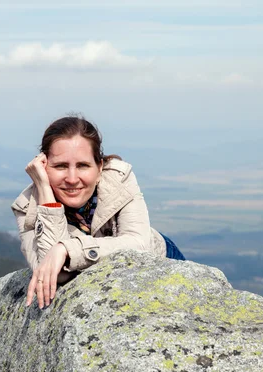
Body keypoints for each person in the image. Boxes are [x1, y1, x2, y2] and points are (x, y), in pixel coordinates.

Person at [11, 115, 185, 310]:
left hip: (162, 259)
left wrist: (67, 249)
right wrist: (44, 190)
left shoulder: (119, 178)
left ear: (99, 167)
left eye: (83, 165)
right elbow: (53, 273)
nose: (71, 178)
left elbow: (139, 244)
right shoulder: (26, 208)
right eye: (60, 166)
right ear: (43, 168)